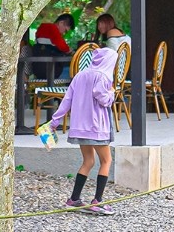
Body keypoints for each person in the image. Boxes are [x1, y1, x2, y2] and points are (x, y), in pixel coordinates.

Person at [49, 47, 117, 215]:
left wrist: (55, 121)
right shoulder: (103, 77)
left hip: (80, 128)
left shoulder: (80, 75)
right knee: (106, 161)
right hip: (97, 127)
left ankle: (73, 200)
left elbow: (67, 100)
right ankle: (98, 201)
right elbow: (103, 99)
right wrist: (112, 94)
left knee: (88, 161)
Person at [32, 13, 74, 79]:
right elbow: (62, 46)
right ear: (61, 23)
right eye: (65, 30)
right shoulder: (52, 28)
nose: (64, 33)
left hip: (40, 69)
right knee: (75, 71)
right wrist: (70, 50)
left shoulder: (43, 29)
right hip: (50, 71)